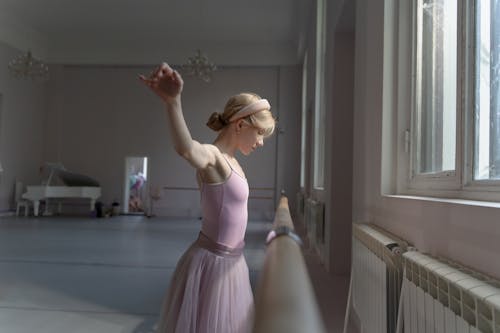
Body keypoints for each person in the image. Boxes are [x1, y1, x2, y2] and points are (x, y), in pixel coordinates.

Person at [139, 62, 276, 333]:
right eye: (259, 133)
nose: (260, 142)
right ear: (240, 124)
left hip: (234, 263)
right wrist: (173, 102)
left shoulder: (235, 162)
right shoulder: (215, 158)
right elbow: (187, 149)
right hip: (212, 263)